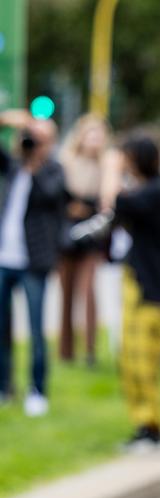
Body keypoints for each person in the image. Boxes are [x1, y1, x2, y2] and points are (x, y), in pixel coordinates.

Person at [100, 130, 160, 449]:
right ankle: (142, 424)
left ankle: (152, 427)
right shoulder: (148, 190)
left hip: (155, 291)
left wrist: (110, 168)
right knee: (130, 360)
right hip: (140, 285)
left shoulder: (154, 191)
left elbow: (113, 200)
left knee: (143, 362)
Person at [0, 109, 67, 415]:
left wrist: (36, 161)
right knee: (2, 329)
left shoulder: (53, 170)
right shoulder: (14, 166)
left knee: (37, 330)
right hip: (5, 258)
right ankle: (4, 386)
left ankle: (38, 389)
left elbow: (50, 195)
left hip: (33, 262)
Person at [57, 113, 112, 366]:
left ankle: (89, 349)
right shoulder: (66, 161)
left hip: (91, 234)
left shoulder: (106, 165)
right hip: (67, 233)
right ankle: (65, 350)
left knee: (88, 291)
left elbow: (106, 200)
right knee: (66, 292)